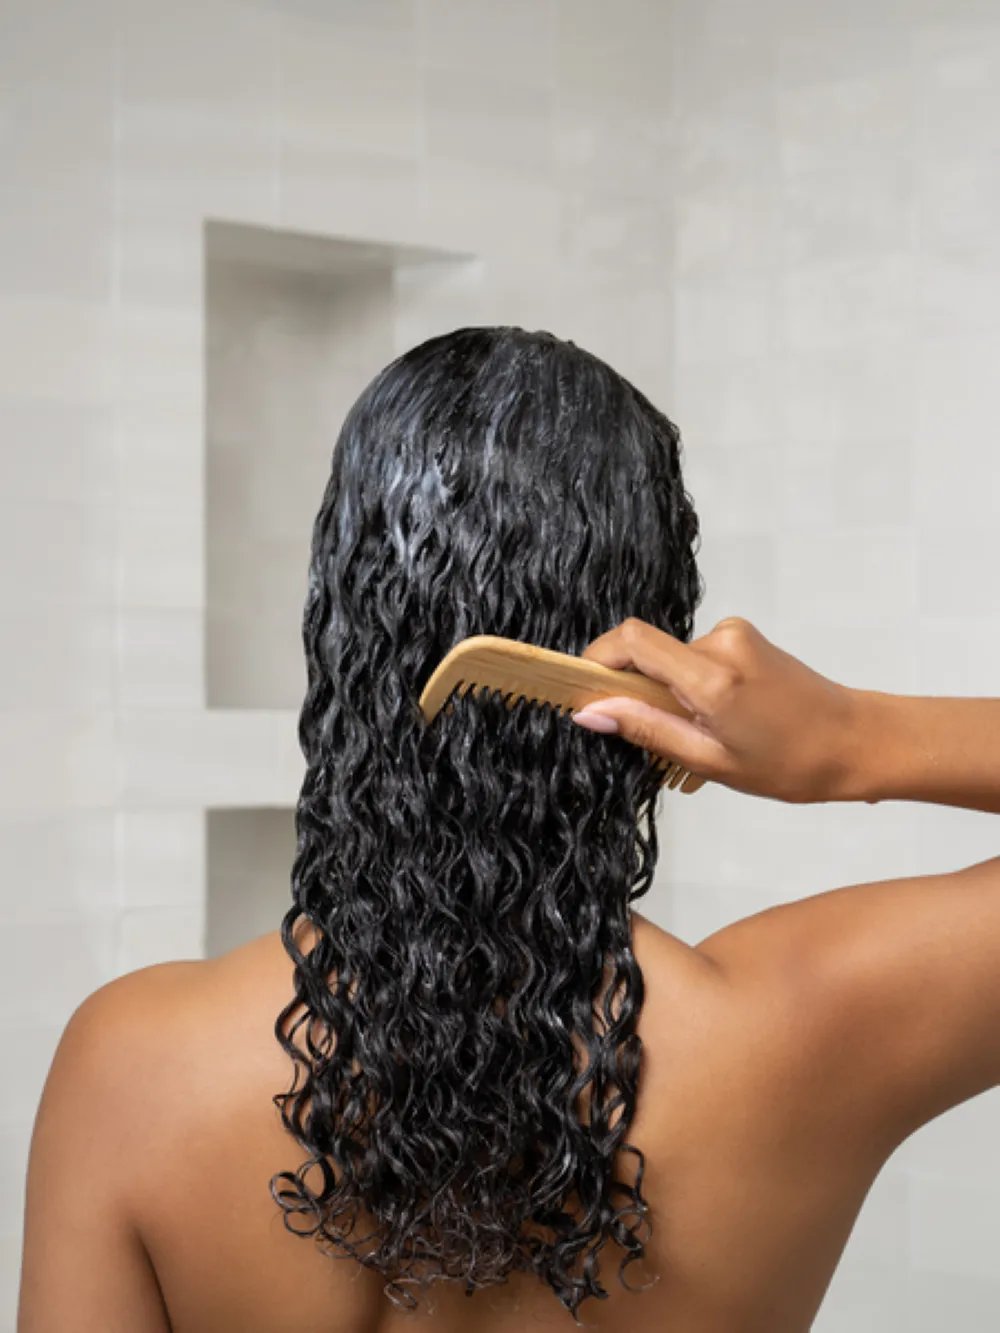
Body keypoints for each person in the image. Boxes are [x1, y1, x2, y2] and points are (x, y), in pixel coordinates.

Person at [18, 327, 1000, 1333]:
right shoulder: (798, 1039)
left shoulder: (128, 1064)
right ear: (642, 649)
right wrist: (849, 740)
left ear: (343, 624)